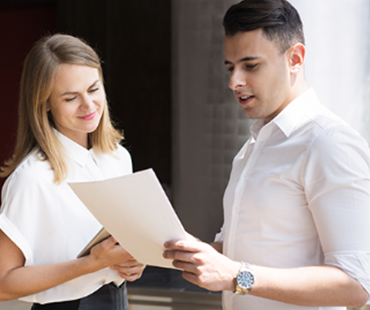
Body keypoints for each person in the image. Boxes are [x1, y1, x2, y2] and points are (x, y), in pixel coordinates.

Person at [163, 0, 370, 309]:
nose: (235, 82)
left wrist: (237, 276)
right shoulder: (253, 147)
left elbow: (357, 282)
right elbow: (243, 249)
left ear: (295, 59)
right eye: (231, 67)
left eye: (251, 65)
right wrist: (191, 252)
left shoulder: (329, 144)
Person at [0, 33, 145, 310]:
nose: (89, 106)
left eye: (93, 89)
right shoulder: (32, 177)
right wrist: (89, 264)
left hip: (116, 301)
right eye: (70, 98)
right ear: (44, 103)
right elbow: (2, 283)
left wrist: (132, 262)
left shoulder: (118, 158)